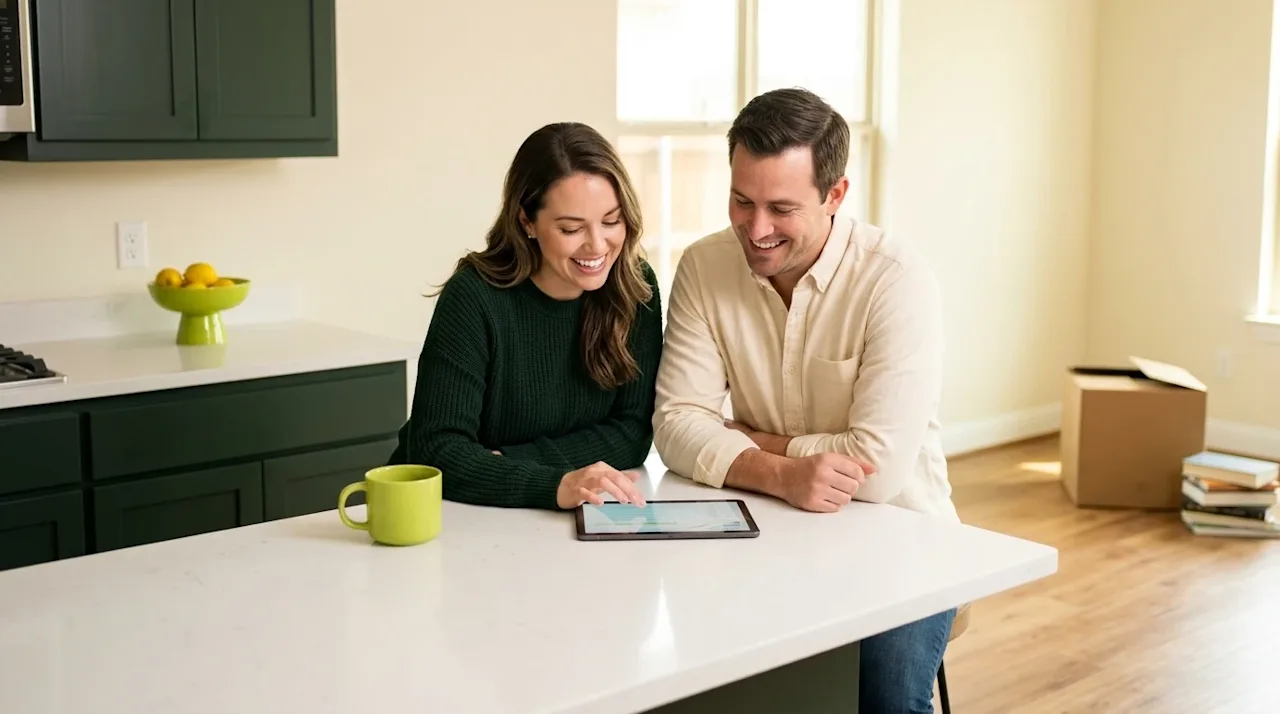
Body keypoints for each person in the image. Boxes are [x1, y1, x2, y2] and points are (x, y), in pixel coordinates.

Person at [652, 87, 960, 713]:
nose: (756, 229)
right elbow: (677, 424)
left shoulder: (897, 282)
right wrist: (782, 472)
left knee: (885, 696)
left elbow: (876, 473)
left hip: (901, 538)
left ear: (835, 195)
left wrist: (751, 439)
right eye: (742, 201)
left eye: (781, 209)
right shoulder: (704, 267)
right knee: (704, 678)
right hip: (761, 520)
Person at [387, 121, 662, 511]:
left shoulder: (635, 288)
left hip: (558, 514)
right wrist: (554, 484)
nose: (598, 245)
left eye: (611, 221)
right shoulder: (474, 297)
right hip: (447, 513)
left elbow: (633, 432)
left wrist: (509, 462)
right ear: (526, 221)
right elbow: (437, 450)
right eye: (571, 228)